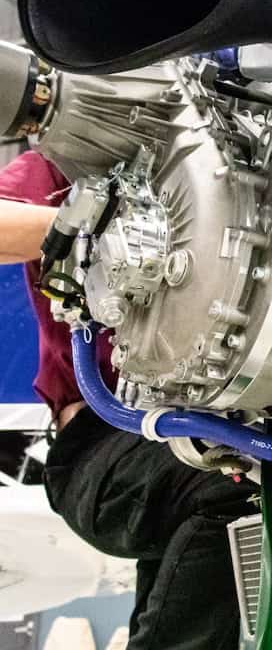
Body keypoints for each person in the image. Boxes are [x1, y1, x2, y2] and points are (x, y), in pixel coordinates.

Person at [0, 149, 257, 650]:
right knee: (241, 477)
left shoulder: (234, 166)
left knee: (251, 481)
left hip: (208, 432)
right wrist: (100, 229)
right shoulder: (62, 164)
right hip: (103, 446)